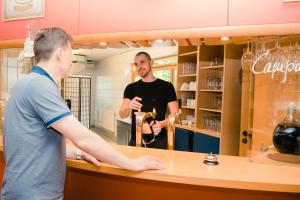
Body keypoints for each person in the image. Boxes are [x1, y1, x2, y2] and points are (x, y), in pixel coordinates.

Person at [1, 27, 163, 200]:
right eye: (71, 51)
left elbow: (37, 145)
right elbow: (83, 138)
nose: (72, 59)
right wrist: (131, 163)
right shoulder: (40, 85)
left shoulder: (26, 82)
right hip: (33, 195)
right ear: (60, 53)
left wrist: (79, 153)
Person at [119, 52, 178, 149]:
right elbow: (122, 114)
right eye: (136, 64)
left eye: (142, 62)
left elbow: (175, 116)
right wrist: (129, 106)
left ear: (151, 62)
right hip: (136, 141)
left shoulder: (167, 87)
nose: (139, 67)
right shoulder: (130, 88)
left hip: (159, 142)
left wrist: (162, 124)